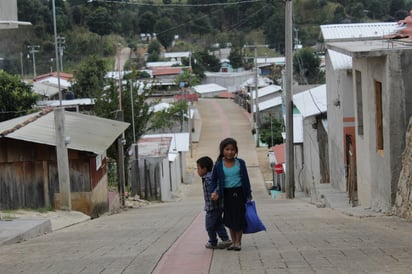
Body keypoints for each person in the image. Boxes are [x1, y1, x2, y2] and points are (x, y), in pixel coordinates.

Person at [210, 137, 252, 251]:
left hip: (239, 193)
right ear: (222, 150)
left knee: (239, 217)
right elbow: (213, 180)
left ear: (236, 150)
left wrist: (249, 194)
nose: (230, 152)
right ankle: (233, 242)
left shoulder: (241, 163)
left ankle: (238, 243)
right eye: (227, 149)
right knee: (229, 218)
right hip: (226, 194)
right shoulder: (218, 164)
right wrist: (214, 191)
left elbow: (246, 179)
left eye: (232, 149)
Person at [196, 156, 232, 249]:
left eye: (198, 168)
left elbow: (218, 186)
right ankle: (225, 240)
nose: (197, 171)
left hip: (213, 207)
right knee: (218, 223)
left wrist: (216, 193)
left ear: (204, 168)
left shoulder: (208, 178)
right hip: (217, 206)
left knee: (209, 226)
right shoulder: (209, 176)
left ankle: (213, 242)